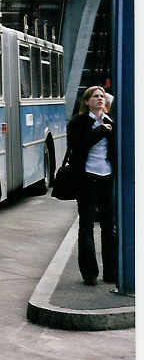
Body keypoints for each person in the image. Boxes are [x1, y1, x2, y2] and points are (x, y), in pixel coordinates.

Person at [66, 85, 116, 286]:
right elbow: (77, 145)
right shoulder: (78, 122)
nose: (99, 99)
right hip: (87, 178)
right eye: (95, 96)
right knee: (86, 225)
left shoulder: (110, 121)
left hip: (107, 176)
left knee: (108, 226)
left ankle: (111, 272)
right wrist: (100, 131)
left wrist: (106, 127)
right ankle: (89, 273)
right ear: (86, 102)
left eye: (102, 96)